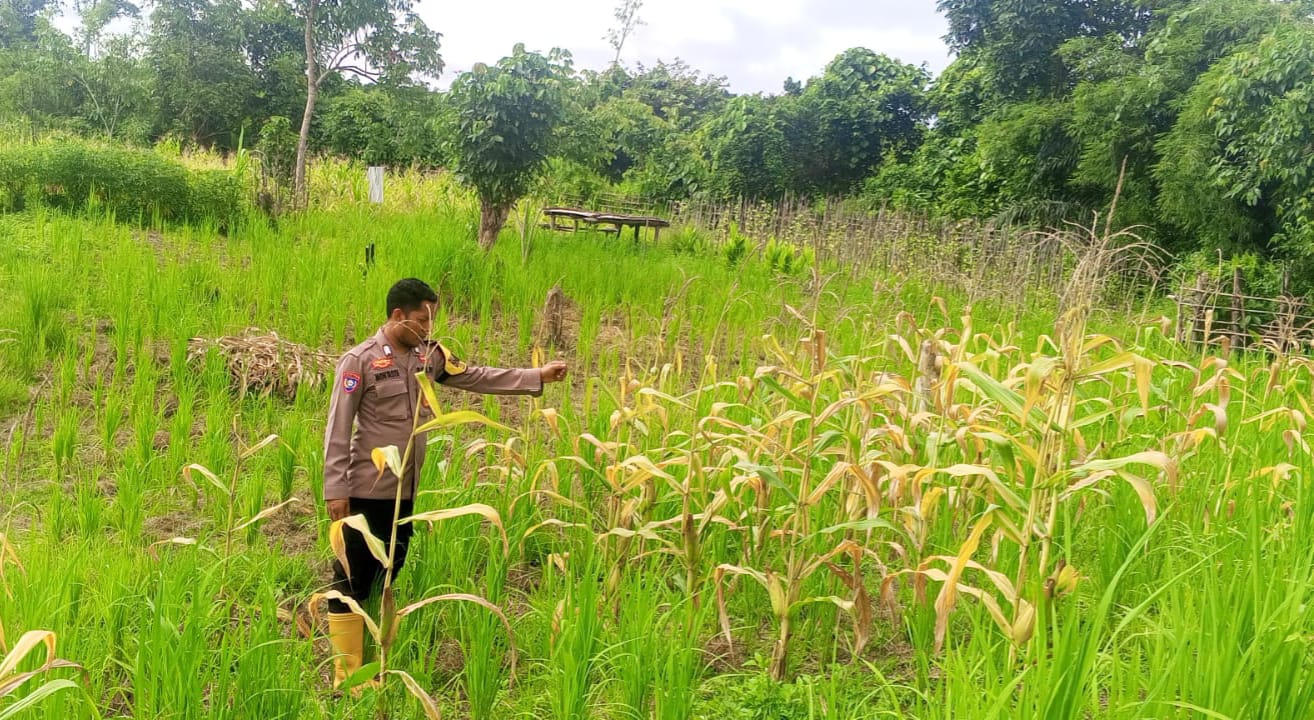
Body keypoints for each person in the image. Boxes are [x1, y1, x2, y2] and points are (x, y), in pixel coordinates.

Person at [322, 277, 567, 689]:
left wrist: (535, 376)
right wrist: (336, 489)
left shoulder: (427, 356)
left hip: (407, 488)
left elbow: (473, 375)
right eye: (422, 320)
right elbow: (338, 428)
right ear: (398, 315)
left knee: (391, 565)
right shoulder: (359, 361)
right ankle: (347, 674)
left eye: (432, 321)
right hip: (367, 485)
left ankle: (371, 653)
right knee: (352, 575)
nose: (428, 329)